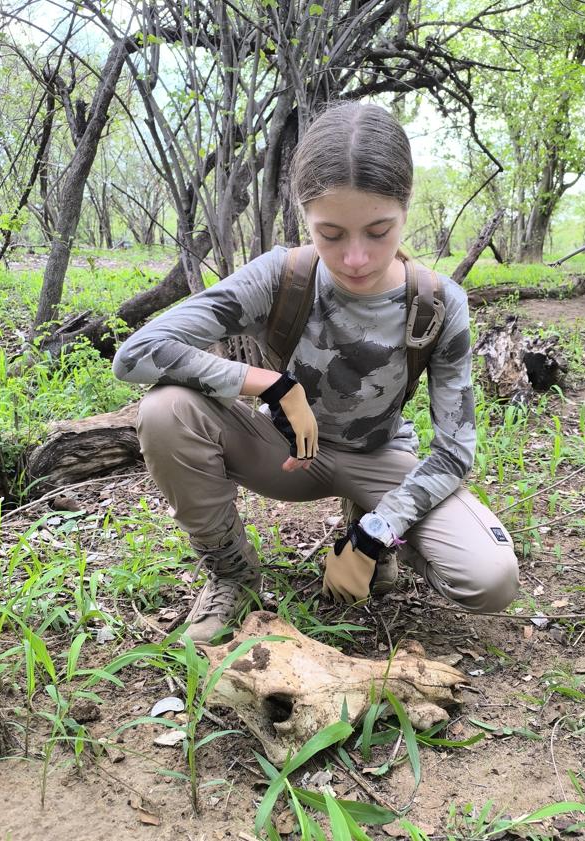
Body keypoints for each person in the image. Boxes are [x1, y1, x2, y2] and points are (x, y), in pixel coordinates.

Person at [112, 101, 519, 643]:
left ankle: (362, 527)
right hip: (283, 451)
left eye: (379, 231)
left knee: (490, 579)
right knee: (165, 410)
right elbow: (136, 354)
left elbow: (455, 449)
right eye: (330, 234)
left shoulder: (440, 303)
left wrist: (379, 531)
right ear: (304, 217)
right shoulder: (282, 276)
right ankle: (233, 572)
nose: (355, 258)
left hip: (380, 457)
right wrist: (272, 384)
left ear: (406, 207)